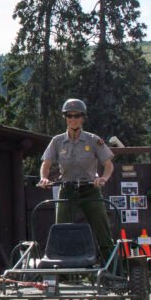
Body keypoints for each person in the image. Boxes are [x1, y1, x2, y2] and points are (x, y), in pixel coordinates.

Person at [37, 98, 115, 262]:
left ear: (82, 118)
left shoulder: (93, 140)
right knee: (61, 231)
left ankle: (113, 271)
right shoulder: (57, 141)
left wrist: (103, 179)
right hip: (67, 190)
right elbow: (46, 163)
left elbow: (108, 165)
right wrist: (43, 178)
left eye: (77, 115)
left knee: (102, 231)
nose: (73, 119)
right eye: (69, 115)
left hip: (90, 190)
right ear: (65, 118)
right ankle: (64, 273)